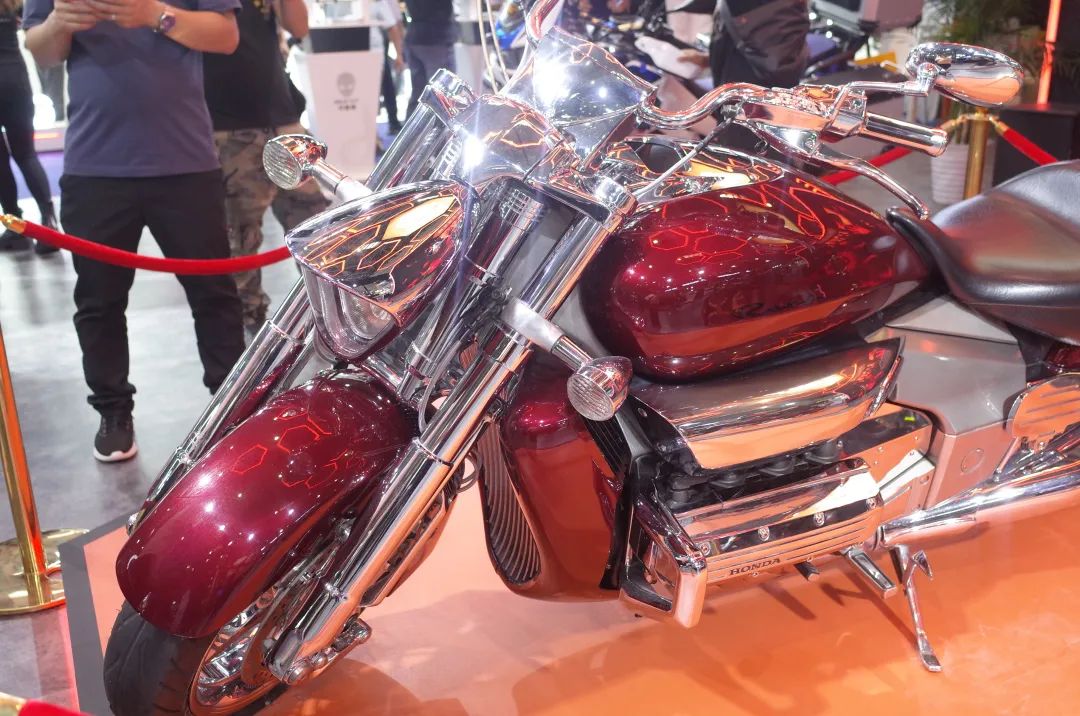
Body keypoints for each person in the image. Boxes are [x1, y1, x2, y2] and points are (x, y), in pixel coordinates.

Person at [24, 0, 246, 462]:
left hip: (185, 161)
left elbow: (226, 36)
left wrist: (155, 15)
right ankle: (113, 412)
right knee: (98, 301)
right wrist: (59, 24)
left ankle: (231, 407)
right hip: (95, 166)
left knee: (214, 294)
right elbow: (41, 50)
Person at [204, 0, 331, 334]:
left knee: (316, 228)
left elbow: (299, 26)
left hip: (280, 115)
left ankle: (332, 317)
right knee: (240, 237)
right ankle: (252, 327)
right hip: (227, 123)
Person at [0, 0, 58, 253]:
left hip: (13, 82)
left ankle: (14, 227)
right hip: (16, 81)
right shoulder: (12, 3)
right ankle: (49, 224)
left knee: (0, 161)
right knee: (26, 154)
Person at [403, 0, 456, 118]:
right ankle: (441, 127)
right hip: (436, 38)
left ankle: (411, 126)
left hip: (415, 35)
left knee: (419, 91)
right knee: (441, 91)